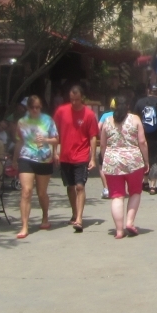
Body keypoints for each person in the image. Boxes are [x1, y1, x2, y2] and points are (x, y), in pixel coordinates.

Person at [100, 97, 149, 239]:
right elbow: (142, 141)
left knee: (116, 196)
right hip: (133, 161)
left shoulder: (107, 121)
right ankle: (129, 222)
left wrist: (106, 159)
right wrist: (146, 160)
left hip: (112, 161)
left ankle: (119, 230)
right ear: (128, 105)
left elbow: (103, 144)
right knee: (135, 192)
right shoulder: (135, 119)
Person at [53, 85, 99, 233]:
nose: (74, 102)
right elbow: (54, 132)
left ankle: (79, 218)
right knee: (70, 186)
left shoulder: (89, 114)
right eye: (72, 99)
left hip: (81, 155)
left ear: (82, 98)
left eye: (77, 100)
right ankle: (74, 212)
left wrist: (92, 157)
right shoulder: (61, 111)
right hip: (66, 155)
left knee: (80, 186)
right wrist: (55, 151)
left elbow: (93, 137)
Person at [14, 95, 58, 239]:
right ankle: (24, 226)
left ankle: (45, 216)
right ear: (28, 108)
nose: (35, 110)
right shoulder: (22, 122)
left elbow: (56, 139)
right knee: (26, 191)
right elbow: (19, 141)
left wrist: (46, 140)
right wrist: (15, 159)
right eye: (32, 107)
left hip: (44, 158)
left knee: (41, 193)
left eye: (38, 107)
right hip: (26, 157)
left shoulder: (47, 120)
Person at [134, 86, 157, 195]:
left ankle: (144, 182)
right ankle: (153, 186)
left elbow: (134, 118)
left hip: (142, 136)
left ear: (148, 91)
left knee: (144, 158)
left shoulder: (140, 103)